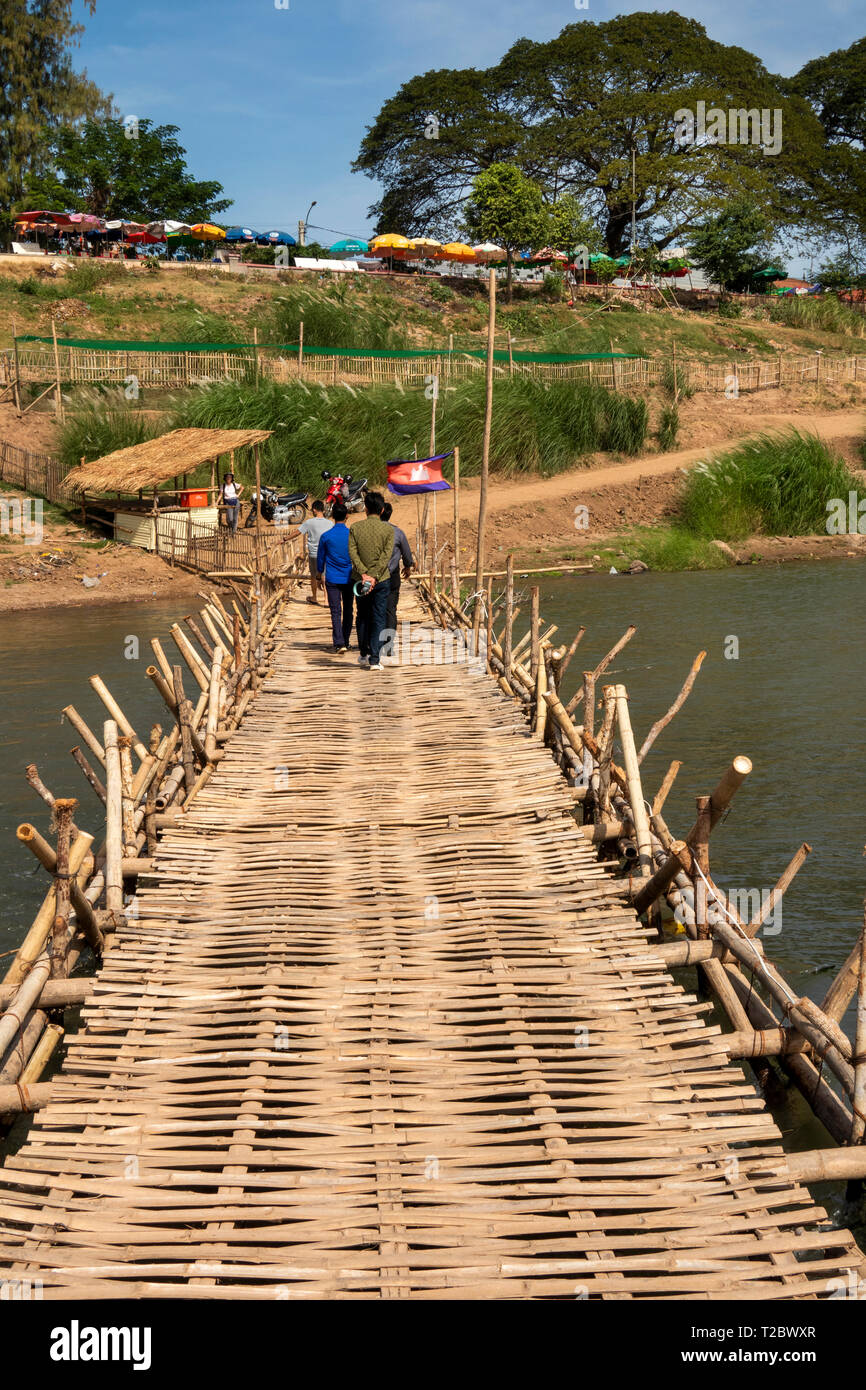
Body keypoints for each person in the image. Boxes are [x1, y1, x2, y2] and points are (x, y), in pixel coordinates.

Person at [348, 491, 394, 670]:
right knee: (379, 616)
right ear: (382, 510)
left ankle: (363, 653)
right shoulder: (388, 530)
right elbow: (386, 557)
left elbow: (353, 552)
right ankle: (375, 659)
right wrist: (374, 576)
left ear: (365, 509)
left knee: (362, 615)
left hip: (360, 580)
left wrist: (364, 574)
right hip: (381, 580)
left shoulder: (355, 528)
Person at [316, 502, 353, 653]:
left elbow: (320, 558)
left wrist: (319, 575)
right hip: (349, 577)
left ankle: (339, 643)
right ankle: (346, 639)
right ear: (347, 516)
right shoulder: (352, 534)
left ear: (331, 516)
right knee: (349, 609)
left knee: (335, 610)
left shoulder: (326, 536)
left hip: (332, 578)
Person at [380, 502, 414, 637]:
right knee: (390, 609)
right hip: (391, 574)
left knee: (375, 608)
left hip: (372, 575)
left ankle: (375, 642)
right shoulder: (398, 532)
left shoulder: (370, 531)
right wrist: (407, 566)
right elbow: (407, 554)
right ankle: (388, 643)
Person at [296, 500, 333, 605]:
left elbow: (297, 532)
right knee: (325, 576)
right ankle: (326, 599)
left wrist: (284, 539)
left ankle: (314, 597)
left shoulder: (309, 522)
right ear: (323, 510)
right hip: (326, 554)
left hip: (314, 554)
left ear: (315, 510)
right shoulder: (330, 523)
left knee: (313, 576)